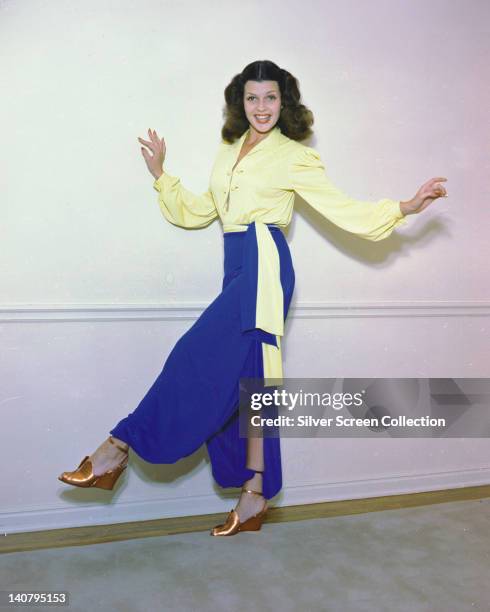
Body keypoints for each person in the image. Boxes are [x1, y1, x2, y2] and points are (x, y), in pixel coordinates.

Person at [58, 59, 448, 536]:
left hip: (265, 265)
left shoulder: (294, 156)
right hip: (236, 262)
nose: (260, 107)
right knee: (251, 383)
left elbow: (340, 207)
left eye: (270, 97)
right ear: (239, 102)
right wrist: (162, 175)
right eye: (251, 98)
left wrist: (404, 207)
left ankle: (116, 448)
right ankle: (255, 496)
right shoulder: (230, 149)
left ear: (284, 102)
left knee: (193, 355)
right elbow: (205, 210)